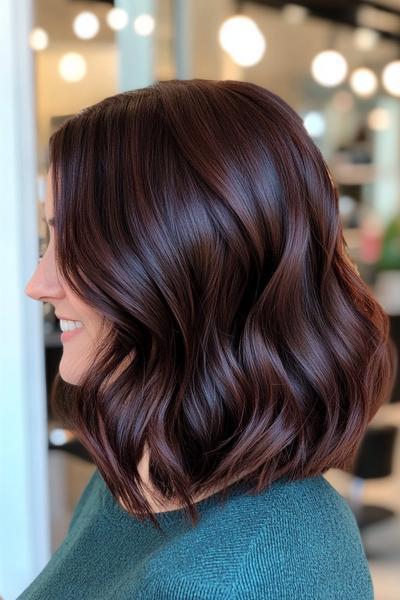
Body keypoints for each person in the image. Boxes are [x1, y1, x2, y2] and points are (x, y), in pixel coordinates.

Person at [19, 78, 396, 599]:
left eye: (77, 244)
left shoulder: (228, 578)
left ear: (182, 263)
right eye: (49, 237)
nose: (38, 284)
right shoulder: (142, 479)